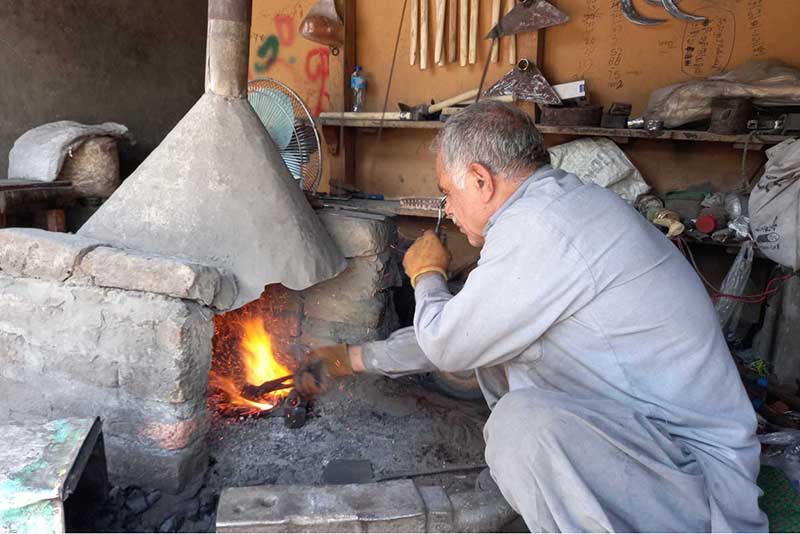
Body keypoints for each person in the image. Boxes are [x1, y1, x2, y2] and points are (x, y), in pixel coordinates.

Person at [294, 101, 767, 532]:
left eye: (447, 192)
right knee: (501, 363)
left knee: (519, 427)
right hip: (649, 444)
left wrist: (427, 276)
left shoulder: (545, 227)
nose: (448, 210)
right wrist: (355, 357)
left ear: (481, 180)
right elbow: (474, 328)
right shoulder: (552, 207)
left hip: (693, 482)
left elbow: (447, 343)